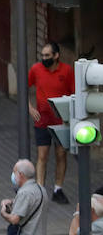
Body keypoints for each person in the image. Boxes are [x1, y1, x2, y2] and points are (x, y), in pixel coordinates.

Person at [29, 40, 74, 205]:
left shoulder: (67, 71)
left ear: (56, 56)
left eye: (47, 55)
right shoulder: (36, 69)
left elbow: (74, 94)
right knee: (42, 156)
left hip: (62, 120)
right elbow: (24, 87)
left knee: (61, 154)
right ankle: (41, 190)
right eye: (42, 55)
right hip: (42, 120)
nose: (44, 58)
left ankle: (57, 189)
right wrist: (30, 108)